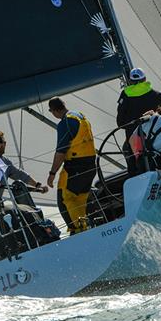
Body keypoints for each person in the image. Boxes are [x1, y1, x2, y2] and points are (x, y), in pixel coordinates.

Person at [46, 97, 98, 235]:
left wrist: (52, 173)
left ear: (54, 111)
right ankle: (84, 226)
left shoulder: (65, 123)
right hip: (91, 164)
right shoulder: (80, 116)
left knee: (65, 197)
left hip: (75, 166)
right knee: (80, 198)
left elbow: (61, 151)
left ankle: (78, 230)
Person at [0, 131, 48, 209]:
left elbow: (20, 175)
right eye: (4, 143)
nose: (6, 145)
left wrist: (37, 185)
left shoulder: (5, 162)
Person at [117, 68, 161, 172]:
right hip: (155, 139)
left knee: (132, 159)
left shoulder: (125, 95)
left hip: (133, 140)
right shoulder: (159, 96)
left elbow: (120, 122)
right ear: (144, 79)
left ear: (130, 81)